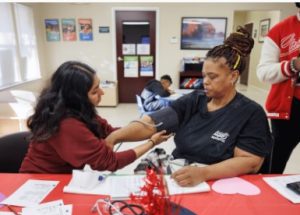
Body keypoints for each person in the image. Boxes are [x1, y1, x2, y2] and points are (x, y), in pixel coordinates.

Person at [106, 26, 272, 187]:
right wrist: (115, 137)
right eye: (204, 75)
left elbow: (250, 162)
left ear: (233, 76)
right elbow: (151, 123)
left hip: (218, 180)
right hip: (181, 171)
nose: (205, 81)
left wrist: (204, 173)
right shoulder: (194, 100)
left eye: (212, 77)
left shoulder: (250, 113)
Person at [19, 61, 170, 173]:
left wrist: (150, 127)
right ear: (75, 97)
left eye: (99, 86)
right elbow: (110, 162)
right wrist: (151, 142)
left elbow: (111, 131)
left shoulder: (79, 110)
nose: (102, 93)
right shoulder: (66, 124)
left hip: (60, 178)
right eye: (94, 91)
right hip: (41, 182)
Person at [257, 3, 300, 173]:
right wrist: (294, 65)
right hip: (289, 109)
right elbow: (263, 73)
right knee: (273, 166)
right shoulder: (280, 30)